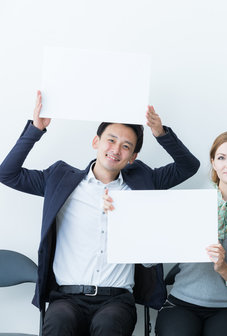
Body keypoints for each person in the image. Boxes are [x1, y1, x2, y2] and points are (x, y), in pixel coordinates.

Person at [0, 91, 200, 336]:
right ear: (96, 142)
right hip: (66, 297)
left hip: (115, 300)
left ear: (133, 157)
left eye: (126, 146)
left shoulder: (144, 181)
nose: (116, 149)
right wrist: (36, 130)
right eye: (111, 140)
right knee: (58, 323)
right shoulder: (60, 178)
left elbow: (188, 166)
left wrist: (160, 133)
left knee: (108, 325)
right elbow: (7, 174)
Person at [155, 130, 227, 336]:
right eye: (222, 158)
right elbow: (150, 257)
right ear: (213, 163)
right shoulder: (190, 205)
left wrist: (224, 268)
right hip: (182, 303)